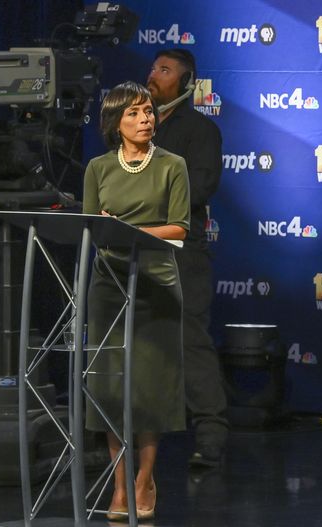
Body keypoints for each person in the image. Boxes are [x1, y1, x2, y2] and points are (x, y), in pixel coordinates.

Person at [83, 81, 190, 520]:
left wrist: (132, 233)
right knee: (111, 388)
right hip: (108, 286)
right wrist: (107, 230)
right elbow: (91, 227)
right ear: (116, 123)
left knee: (148, 388)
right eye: (135, 113)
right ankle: (120, 484)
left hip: (156, 285)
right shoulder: (97, 168)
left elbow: (180, 227)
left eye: (148, 111)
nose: (146, 119)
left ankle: (145, 479)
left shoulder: (172, 165)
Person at [146, 48, 228, 468]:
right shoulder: (135, 126)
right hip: (134, 248)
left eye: (164, 70)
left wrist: (147, 196)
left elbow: (201, 188)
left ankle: (211, 434)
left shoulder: (200, 130)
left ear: (187, 82)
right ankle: (122, 432)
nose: (153, 75)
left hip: (180, 251)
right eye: (153, 68)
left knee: (189, 340)